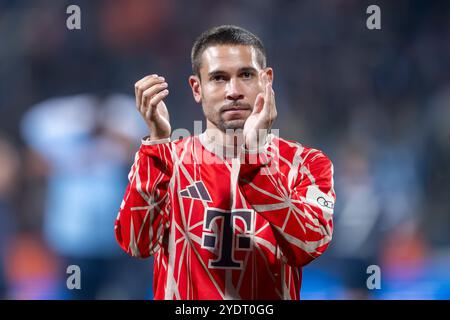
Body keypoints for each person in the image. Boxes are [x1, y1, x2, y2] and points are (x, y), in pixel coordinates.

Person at [115, 25, 336, 300]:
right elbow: (137, 243)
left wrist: (254, 156)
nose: (233, 91)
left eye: (245, 75)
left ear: (267, 80)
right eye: (218, 78)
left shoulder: (309, 164)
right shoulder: (164, 159)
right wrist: (158, 142)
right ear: (197, 88)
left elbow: (310, 244)